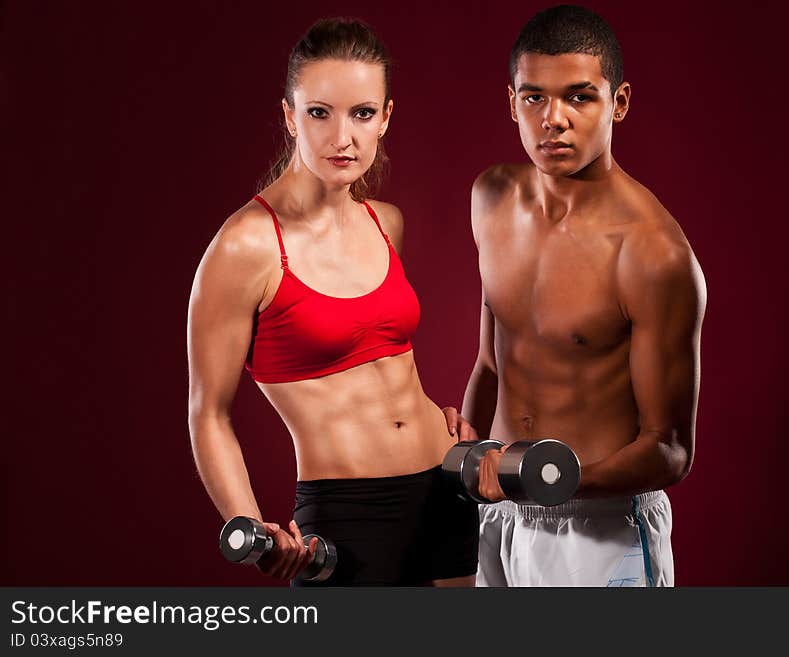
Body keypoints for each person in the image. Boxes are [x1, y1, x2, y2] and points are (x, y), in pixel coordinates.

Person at [187, 18, 477, 586]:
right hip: (348, 514)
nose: (341, 137)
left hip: (447, 489)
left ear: (385, 118)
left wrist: (431, 418)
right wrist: (248, 526)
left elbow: (382, 361)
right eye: (319, 112)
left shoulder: (384, 222)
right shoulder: (246, 245)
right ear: (289, 116)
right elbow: (208, 413)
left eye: (362, 114)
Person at [462, 5, 707, 587]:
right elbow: (491, 361)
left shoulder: (652, 253)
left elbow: (669, 450)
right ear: (511, 102)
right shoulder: (492, 197)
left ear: (617, 102)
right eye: (534, 98)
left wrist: (546, 478)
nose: (554, 120)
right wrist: (470, 457)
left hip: (599, 530)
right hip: (496, 518)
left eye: (579, 97)